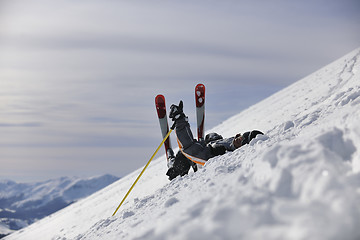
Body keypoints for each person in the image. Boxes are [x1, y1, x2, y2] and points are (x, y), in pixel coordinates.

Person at [166, 100, 264, 180]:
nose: (240, 140)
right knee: (213, 136)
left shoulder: (225, 154)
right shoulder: (229, 142)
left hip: (195, 158)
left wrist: (180, 121)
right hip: (205, 147)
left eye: (243, 141)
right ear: (237, 135)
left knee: (181, 162)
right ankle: (176, 160)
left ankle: (172, 163)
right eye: (241, 137)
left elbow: (190, 148)